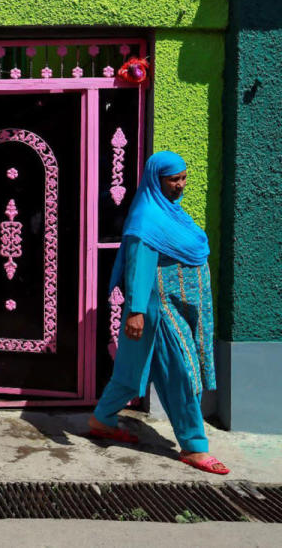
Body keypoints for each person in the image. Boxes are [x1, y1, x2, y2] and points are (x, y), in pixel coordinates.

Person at [87, 151, 228, 475]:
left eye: (183, 178)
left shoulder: (170, 212)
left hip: (170, 307)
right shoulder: (147, 219)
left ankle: (102, 419)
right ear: (156, 180)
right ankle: (194, 446)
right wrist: (136, 312)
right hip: (158, 310)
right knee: (181, 373)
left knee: (130, 370)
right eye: (173, 180)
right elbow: (139, 267)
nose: (180, 185)